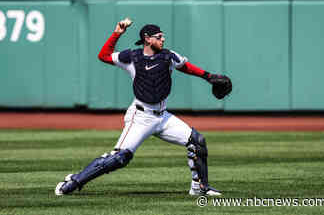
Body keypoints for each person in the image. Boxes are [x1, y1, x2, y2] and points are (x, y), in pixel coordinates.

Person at [55, 20, 225, 196]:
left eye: (163, 36)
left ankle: (200, 188)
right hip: (140, 117)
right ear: (147, 39)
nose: (163, 39)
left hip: (163, 117)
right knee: (119, 158)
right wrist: (117, 33)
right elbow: (104, 56)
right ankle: (73, 182)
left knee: (197, 141)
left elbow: (185, 67)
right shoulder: (132, 57)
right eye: (159, 37)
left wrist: (208, 76)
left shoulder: (169, 56)